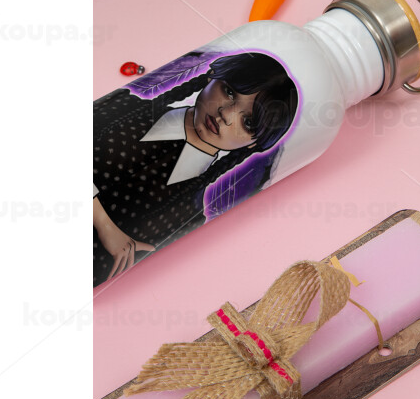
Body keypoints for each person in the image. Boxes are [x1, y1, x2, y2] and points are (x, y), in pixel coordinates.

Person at [93, 50, 299, 286]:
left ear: (254, 143)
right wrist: (105, 225)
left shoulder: (188, 212)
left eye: (248, 122)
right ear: (212, 76)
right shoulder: (122, 107)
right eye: (229, 92)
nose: (226, 114)